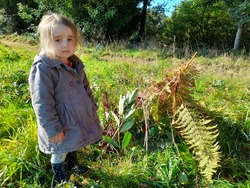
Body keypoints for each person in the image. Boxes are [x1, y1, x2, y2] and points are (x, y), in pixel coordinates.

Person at [28, 13, 103, 184]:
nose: (65, 44)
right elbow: (42, 102)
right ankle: (63, 180)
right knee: (60, 151)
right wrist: (52, 128)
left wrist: (91, 106)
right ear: (46, 41)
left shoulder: (74, 63)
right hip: (60, 121)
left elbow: (85, 87)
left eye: (70, 39)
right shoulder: (44, 69)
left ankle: (73, 165)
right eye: (58, 40)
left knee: (73, 142)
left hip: (76, 116)